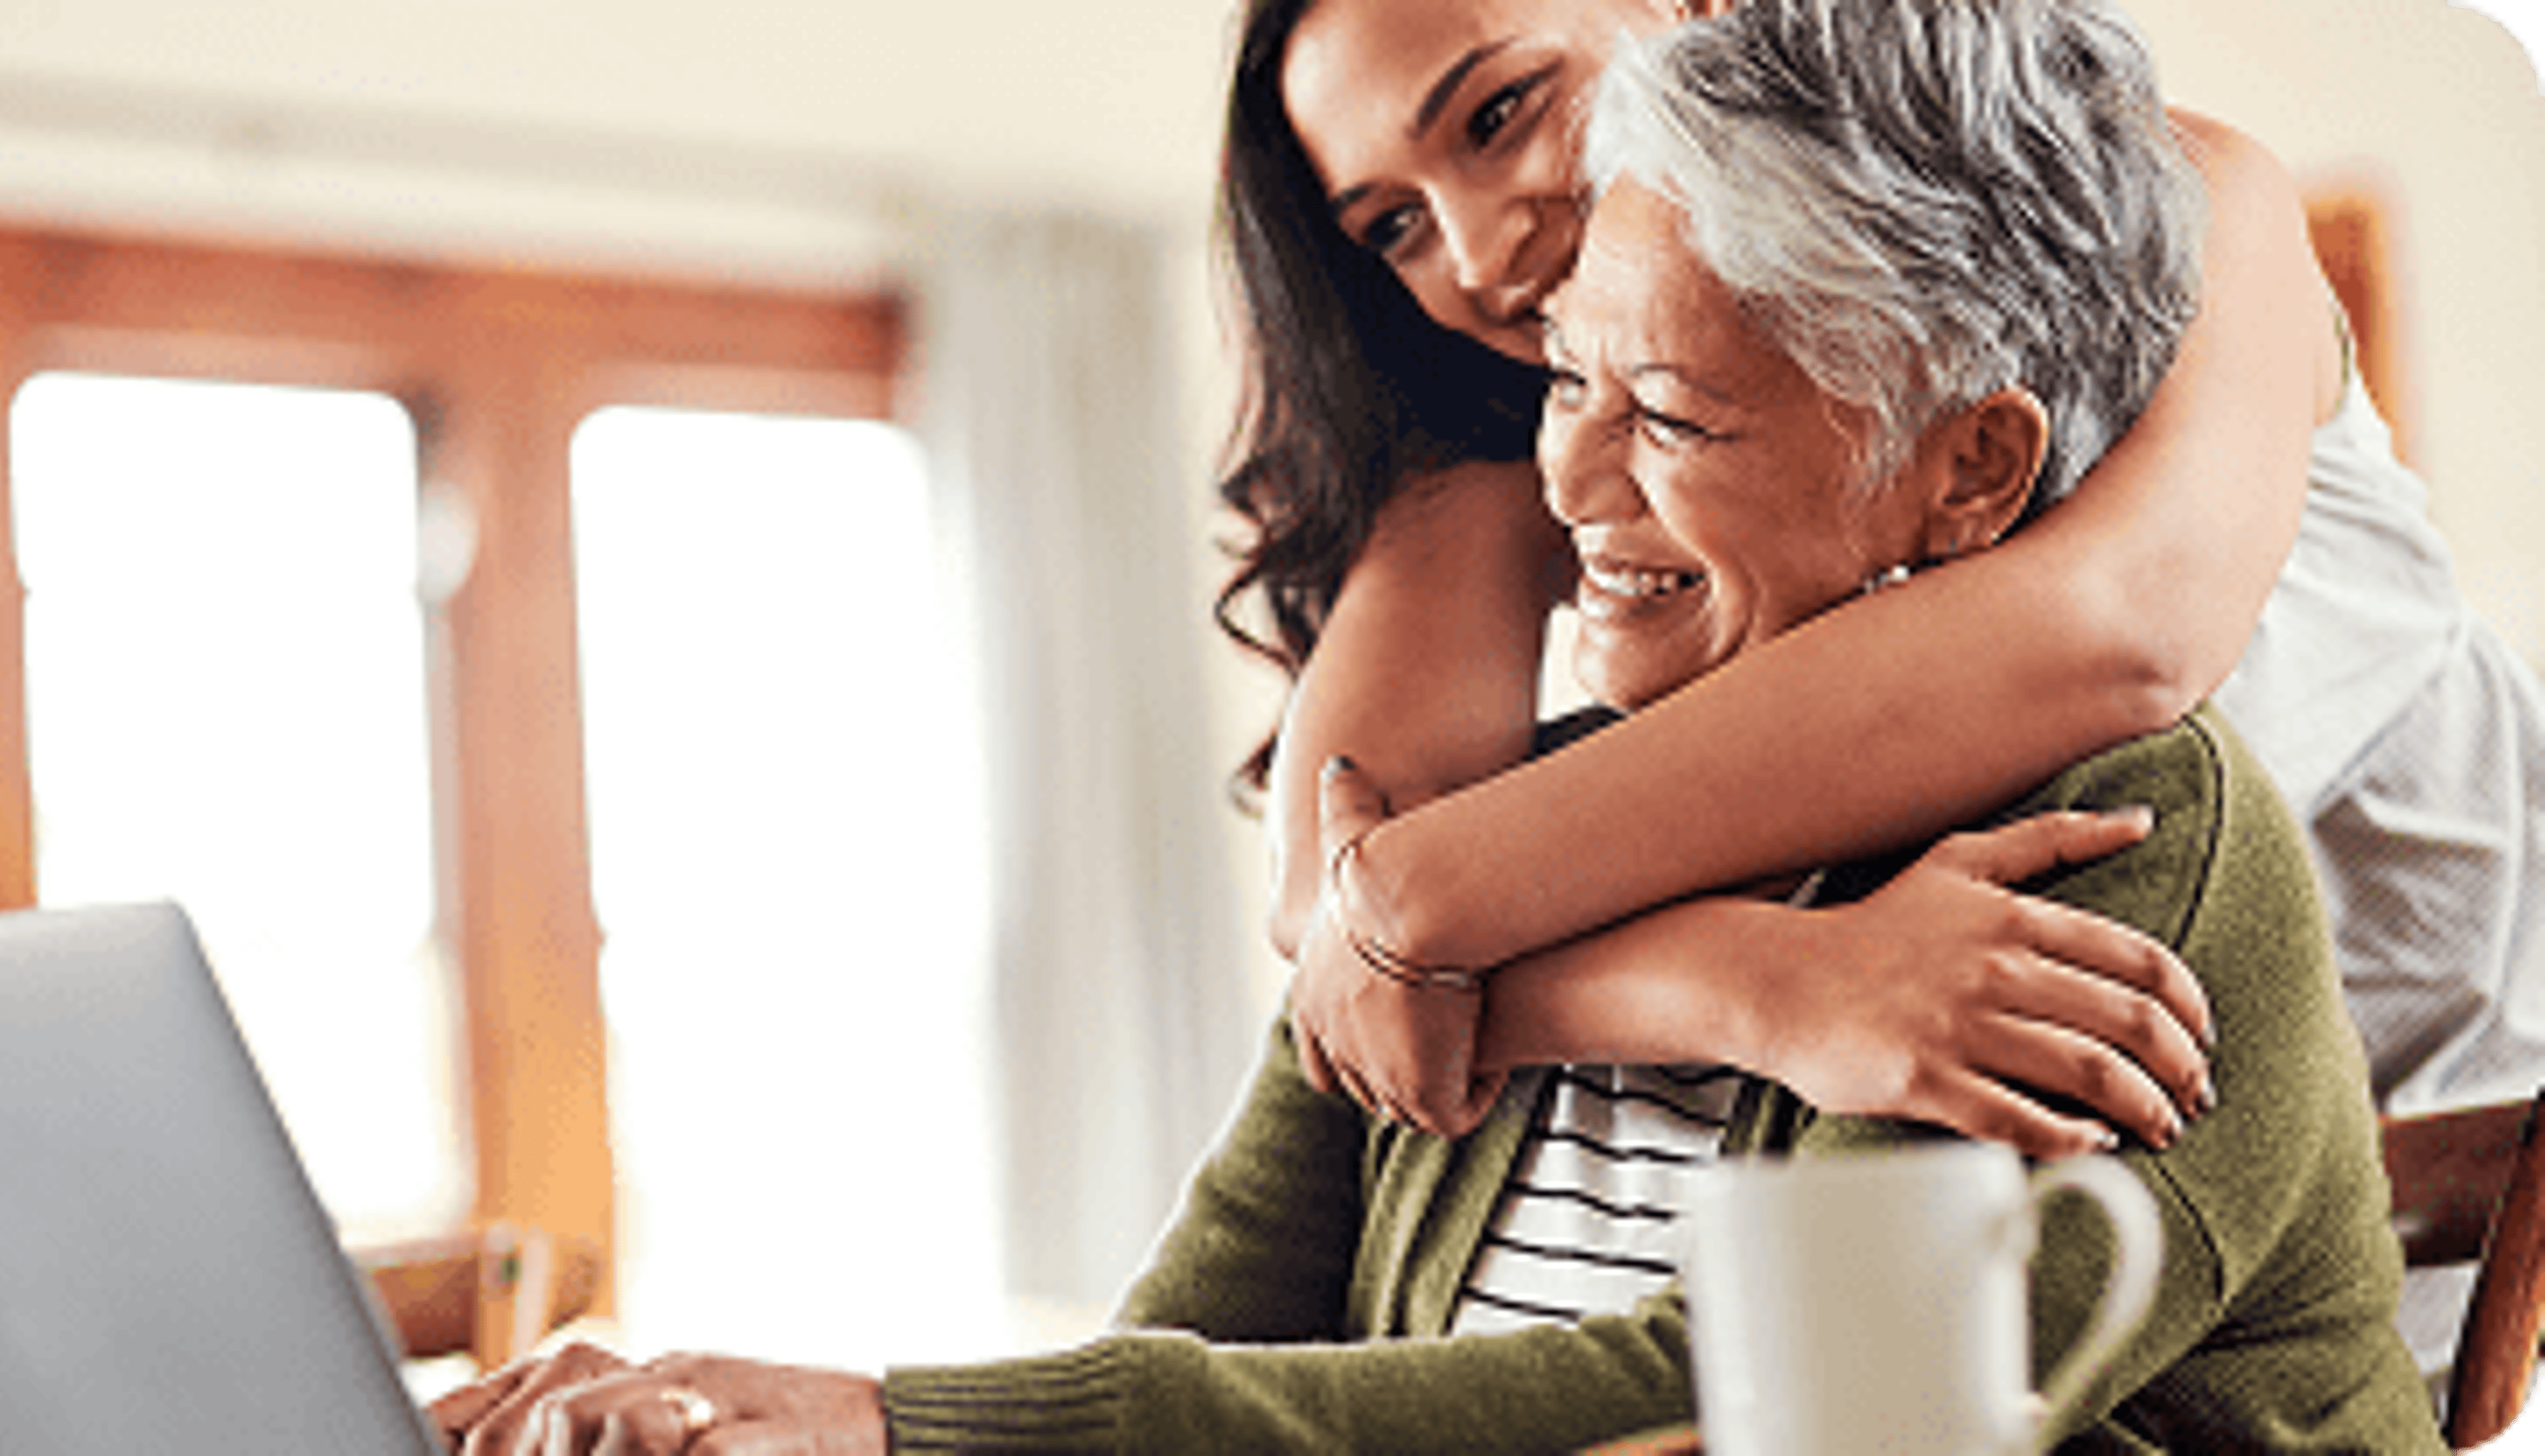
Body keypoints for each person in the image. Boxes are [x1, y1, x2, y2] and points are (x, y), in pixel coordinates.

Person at [430, 2, 2439, 1448]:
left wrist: (900, 1424)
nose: (1482, 268)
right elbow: (1345, 948)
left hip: (2441, 1054)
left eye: (1662, 412)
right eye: (1567, 380)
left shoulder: (2109, 810)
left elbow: (1749, 1404)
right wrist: (1741, 980)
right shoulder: (1554, 690)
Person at [1252, 0, 2543, 1156]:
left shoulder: (2165, 197)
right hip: (2083, 1197)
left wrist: (1428, 902)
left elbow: (2116, 637)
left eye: (1499, 112)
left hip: (2471, 1154)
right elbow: (1334, 899)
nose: (1477, 255)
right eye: (1394, 224)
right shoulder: (1539, 419)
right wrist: (1755, 984)